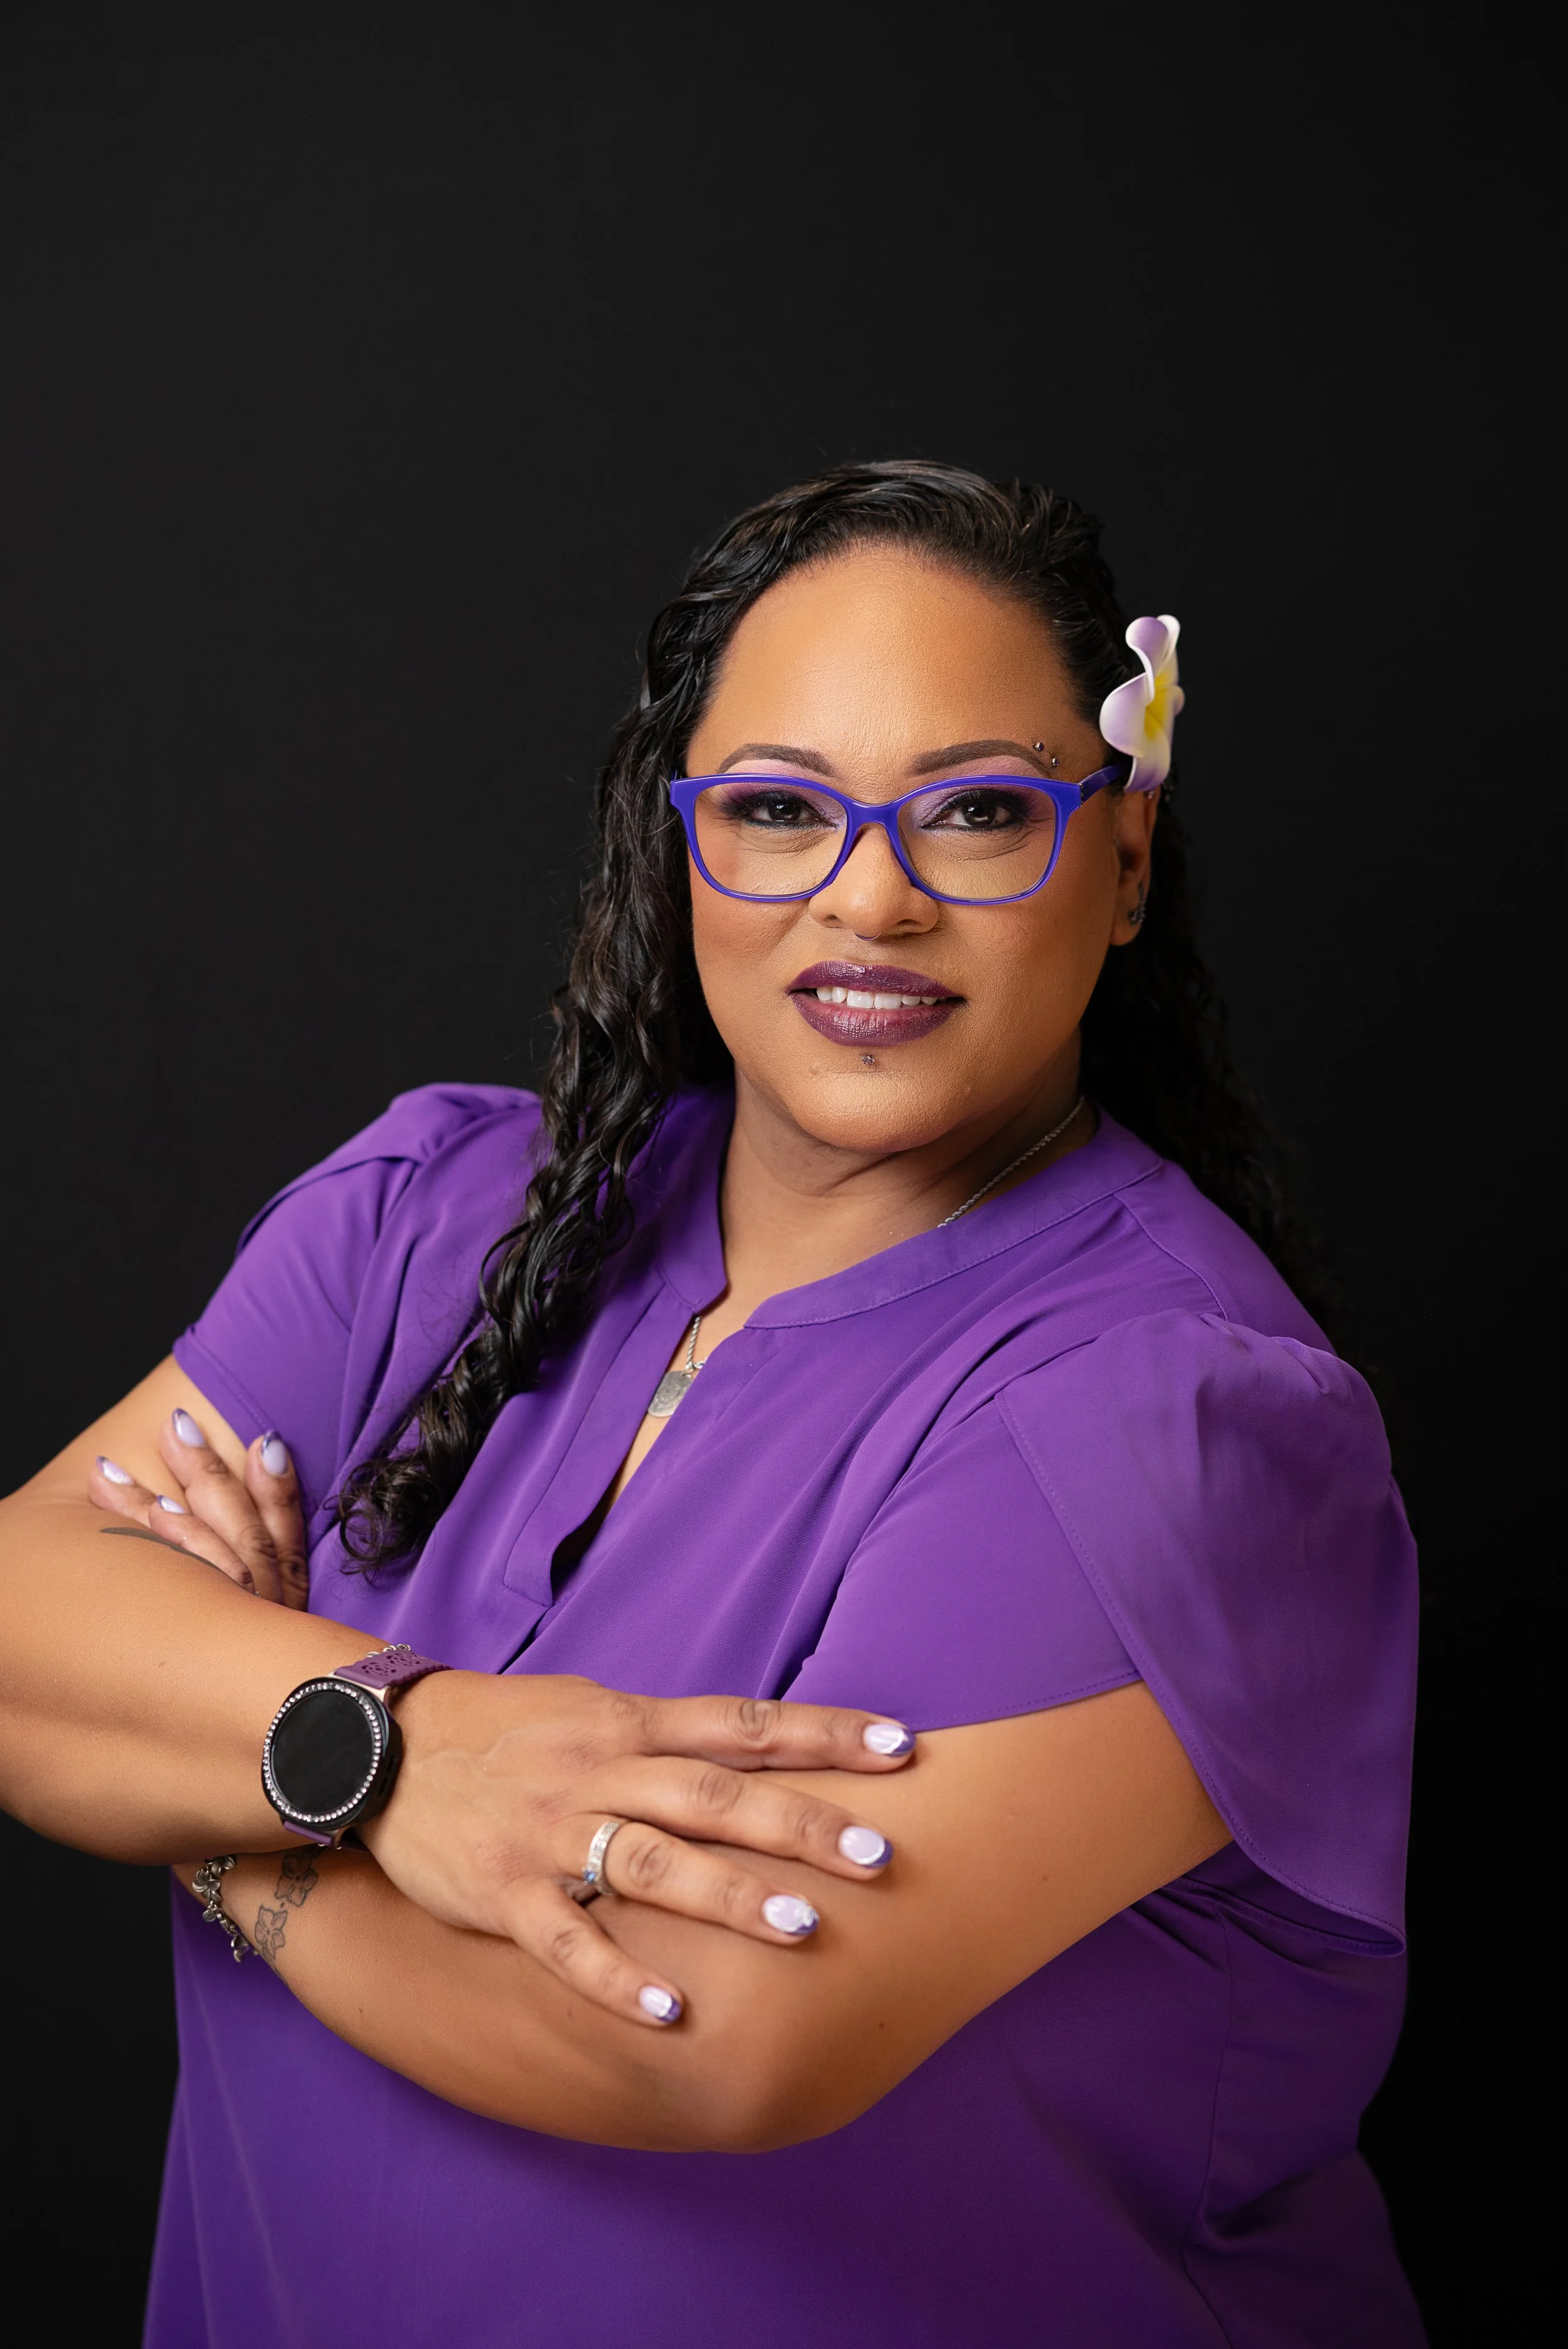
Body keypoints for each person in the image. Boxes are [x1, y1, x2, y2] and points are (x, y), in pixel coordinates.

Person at [0, 461, 1422, 2347]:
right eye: (774, 811)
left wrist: (236, 1798)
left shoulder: (1177, 1421)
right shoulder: (427, 1222)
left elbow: (697, 2032)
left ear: (1125, 856)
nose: (869, 898)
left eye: (981, 813)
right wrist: (408, 1749)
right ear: (681, 852)